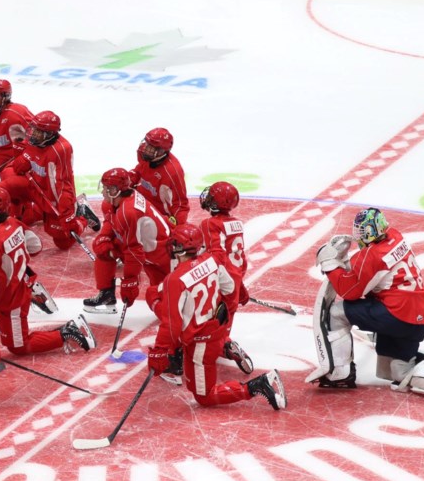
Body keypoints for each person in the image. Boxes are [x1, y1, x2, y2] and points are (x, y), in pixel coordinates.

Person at [309, 207, 424, 397]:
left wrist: (330, 264)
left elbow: (348, 291)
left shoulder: (372, 255)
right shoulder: (395, 236)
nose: (357, 236)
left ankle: (340, 373)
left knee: (337, 313)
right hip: (416, 320)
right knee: (400, 372)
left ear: (368, 232)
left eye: (359, 231)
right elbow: (370, 273)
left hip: (395, 315)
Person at [147, 224, 286, 410]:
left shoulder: (174, 280)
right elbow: (229, 289)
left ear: (179, 248)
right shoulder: (211, 261)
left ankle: (257, 386)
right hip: (216, 329)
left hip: (200, 343)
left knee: (204, 396)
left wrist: (160, 351)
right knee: (192, 374)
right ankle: (225, 346)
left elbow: (171, 325)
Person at [0, 187, 96, 355]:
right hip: (22, 283)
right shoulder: (13, 222)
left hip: (10, 299)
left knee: (18, 346)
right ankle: (34, 296)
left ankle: (67, 332)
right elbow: (36, 246)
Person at [0, 110, 101, 249]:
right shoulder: (35, 141)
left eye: (38, 131)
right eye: (33, 129)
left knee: (63, 243)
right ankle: (15, 218)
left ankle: (82, 214)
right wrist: (19, 151)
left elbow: (63, 185)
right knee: (4, 183)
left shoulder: (60, 150)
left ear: (49, 134)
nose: (33, 133)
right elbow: (20, 166)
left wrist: (67, 215)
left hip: (50, 195)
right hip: (33, 185)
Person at [83, 167, 172, 314]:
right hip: (146, 246)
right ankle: (106, 294)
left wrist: (130, 282)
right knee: (103, 248)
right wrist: (104, 236)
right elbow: (110, 219)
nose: (103, 191)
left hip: (160, 254)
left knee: (165, 301)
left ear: (115, 190)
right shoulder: (115, 202)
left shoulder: (128, 212)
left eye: (106, 188)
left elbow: (134, 251)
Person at [198, 181, 253, 374]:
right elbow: (238, 257)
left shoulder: (208, 223)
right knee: (225, 322)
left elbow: (216, 255)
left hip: (221, 283)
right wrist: (240, 285)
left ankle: (224, 347)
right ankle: (225, 344)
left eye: (211, 196)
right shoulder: (237, 224)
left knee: (207, 325)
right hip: (235, 279)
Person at [132, 127, 189, 227]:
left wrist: (178, 227)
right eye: (147, 144)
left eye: (152, 147)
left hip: (158, 215)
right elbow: (140, 169)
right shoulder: (145, 154)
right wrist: (127, 180)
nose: (146, 149)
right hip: (140, 203)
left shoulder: (172, 172)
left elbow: (181, 204)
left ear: (162, 151)